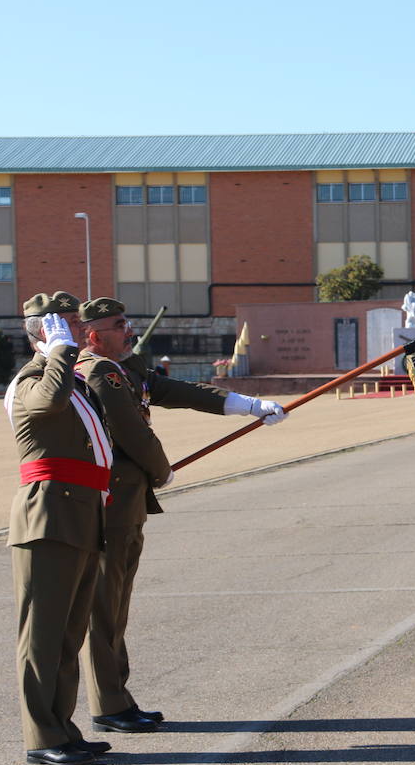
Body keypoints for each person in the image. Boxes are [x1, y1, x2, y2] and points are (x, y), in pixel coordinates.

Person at [74, 298, 287, 734]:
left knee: (115, 606)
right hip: (109, 502)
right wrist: (162, 470)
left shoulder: (122, 369)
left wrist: (246, 404)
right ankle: (108, 705)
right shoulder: (98, 372)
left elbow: (176, 392)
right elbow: (133, 434)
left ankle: (116, 699)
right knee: (104, 607)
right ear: (95, 337)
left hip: (126, 502)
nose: (130, 330)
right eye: (119, 326)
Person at [6, 291, 111, 765]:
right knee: (42, 636)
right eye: (65, 324)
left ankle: (63, 728)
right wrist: (58, 351)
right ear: (44, 334)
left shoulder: (72, 380)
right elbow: (49, 403)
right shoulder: (32, 379)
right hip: (47, 517)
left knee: (69, 634)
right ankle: (41, 736)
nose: (75, 331)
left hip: (81, 513)